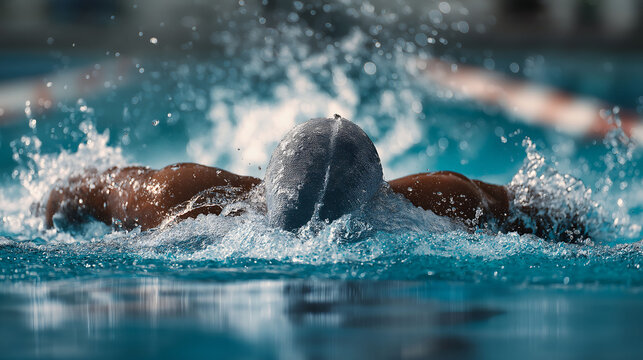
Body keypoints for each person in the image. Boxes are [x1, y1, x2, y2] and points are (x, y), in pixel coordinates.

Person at [44, 116, 581, 241]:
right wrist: (49, 209)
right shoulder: (181, 196)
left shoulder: (443, 200)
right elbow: (79, 187)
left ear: (383, 201)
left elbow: (557, 213)